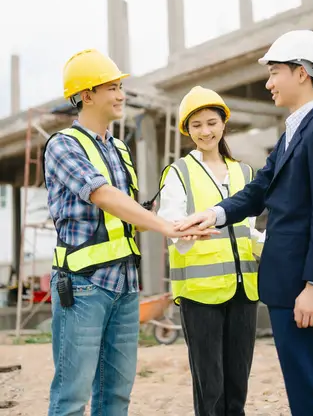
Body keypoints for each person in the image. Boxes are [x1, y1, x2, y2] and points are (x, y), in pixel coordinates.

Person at [176, 31, 313, 416]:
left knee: (309, 388)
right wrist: (214, 214)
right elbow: (258, 190)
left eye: (275, 72)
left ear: (301, 73)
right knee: (301, 385)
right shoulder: (293, 132)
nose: (268, 82)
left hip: (302, 286)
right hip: (286, 283)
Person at [45, 49, 211, 416]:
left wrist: (179, 221)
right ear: (86, 95)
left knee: (116, 395)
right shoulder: (63, 145)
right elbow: (104, 197)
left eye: (121, 87)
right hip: (84, 286)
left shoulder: (118, 148)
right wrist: (165, 225)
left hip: (124, 285)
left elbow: (132, 214)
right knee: (72, 396)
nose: (121, 95)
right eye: (113, 88)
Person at [159, 86, 264, 416]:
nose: (205, 131)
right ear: (187, 131)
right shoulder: (179, 173)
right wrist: (188, 230)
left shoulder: (244, 172)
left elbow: (249, 230)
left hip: (244, 288)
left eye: (211, 122)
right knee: (211, 385)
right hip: (200, 294)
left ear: (223, 124)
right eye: (197, 125)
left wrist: (276, 248)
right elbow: (169, 223)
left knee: (238, 383)